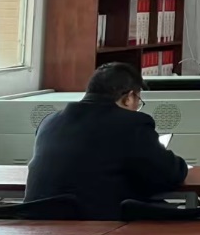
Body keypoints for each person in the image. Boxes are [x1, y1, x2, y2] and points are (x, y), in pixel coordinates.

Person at [25, 61, 188, 219]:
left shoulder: (49, 122)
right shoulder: (132, 123)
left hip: (37, 221)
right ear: (129, 97)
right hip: (98, 223)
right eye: (138, 100)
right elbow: (170, 174)